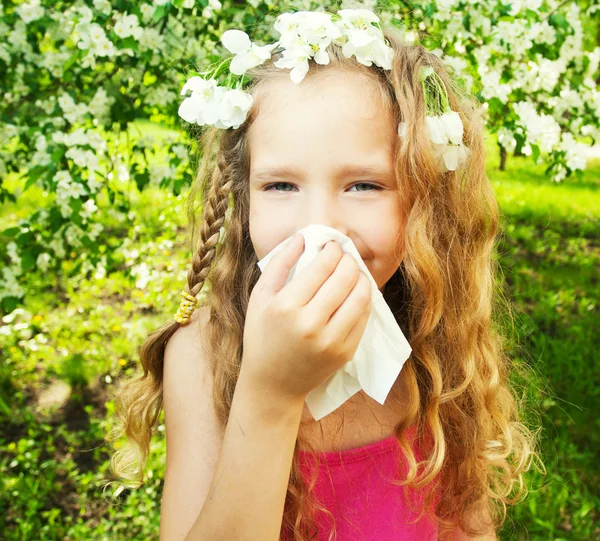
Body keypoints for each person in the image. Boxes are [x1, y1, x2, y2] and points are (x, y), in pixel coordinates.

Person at [106, 8, 542, 541]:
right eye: (281, 186)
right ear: (244, 201)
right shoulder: (202, 356)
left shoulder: (438, 347)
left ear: (425, 202)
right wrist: (270, 394)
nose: (319, 226)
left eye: (364, 185)